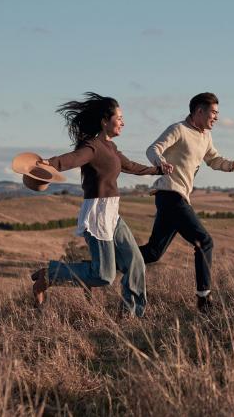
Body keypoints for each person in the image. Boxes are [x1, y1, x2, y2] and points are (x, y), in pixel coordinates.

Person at [30, 93, 164, 317]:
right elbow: (73, 158)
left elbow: (130, 166)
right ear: (105, 121)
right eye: (119, 117)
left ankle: (131, 316)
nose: (123, 122)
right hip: (98, 215)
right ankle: (50, 274)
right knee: (103, 276)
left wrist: (158, 170)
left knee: (136, 263)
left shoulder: (111, 148)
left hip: (113, 214)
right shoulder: (93, 146)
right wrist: (50, 164)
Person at [139, 92, 234, 312]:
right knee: (204, 241)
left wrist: (230, 165)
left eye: (217, 113)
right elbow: (153, 149)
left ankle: (106, 263)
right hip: (170, 195)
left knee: (152, 253)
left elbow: (213, 159)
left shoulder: (205, 136)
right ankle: (204, 300)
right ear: (199, 111)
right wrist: (161, 162)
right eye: (213, 113)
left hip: (178, 198)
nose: (216, 118)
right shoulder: (178, 129)